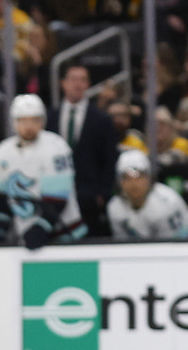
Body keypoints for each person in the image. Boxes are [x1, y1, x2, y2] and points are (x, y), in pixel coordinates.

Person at [0, 94, 84, 248]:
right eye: (23, 120)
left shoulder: (56, 147)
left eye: (35, 120)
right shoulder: (2, 151)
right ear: (14, 122)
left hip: (65, 231)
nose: (29, 126)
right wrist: (0, 224)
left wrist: (42, 227)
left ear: (43, 121)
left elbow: (58, 199)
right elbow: (2, 195)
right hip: (26, 233)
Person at [55, 62, 117, 239]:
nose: (78, 84)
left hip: (90, 197)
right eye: (73, 79)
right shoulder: (52, 117)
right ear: (63, 83)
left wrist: (103, 193)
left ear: (88, 84)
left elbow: (109, 158)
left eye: (83, 80)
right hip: (59, 195)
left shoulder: (101, 119)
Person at [107, 149, 188, 240]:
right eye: (126, 178)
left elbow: (172, 247)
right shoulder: (115, 207)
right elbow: (122, 247)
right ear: (119, 182)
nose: (133, 184)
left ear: (149, 178)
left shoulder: (166, 202)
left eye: (139, 176)